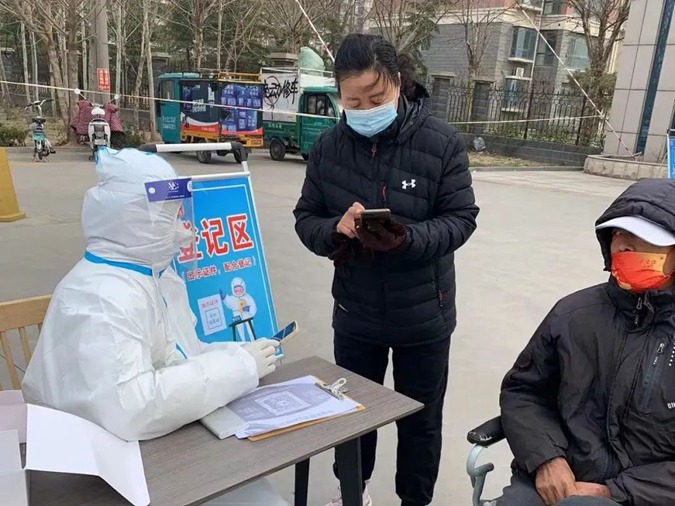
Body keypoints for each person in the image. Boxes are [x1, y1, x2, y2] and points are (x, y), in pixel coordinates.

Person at [22, 147, 288, 506]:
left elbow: (180, 355)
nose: (184, 228)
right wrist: (239, 367)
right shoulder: (101, 298)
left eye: (180, 212)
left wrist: (236, 351)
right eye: (170, 215)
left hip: (146, 447)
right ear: (134, 220)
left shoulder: (153, 277)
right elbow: (133, 407)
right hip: (98, 474)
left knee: (258, 488)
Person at [293, 34, 479, 506]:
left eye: (376, 99)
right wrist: (335, 230)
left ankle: (415, 500)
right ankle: (352, 492)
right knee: (353, 414)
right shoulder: (329, 148)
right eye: (353, 102)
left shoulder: (441, 143)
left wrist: (407, 239)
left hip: (424, 315)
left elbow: (461, 218)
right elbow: (306, 217)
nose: (365, 109)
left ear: (397, 83)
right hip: (356, 313)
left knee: (421, 419)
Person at [495, 178, 675, 506]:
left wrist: (616, 491)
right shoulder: (573, 314)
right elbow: (524, 392)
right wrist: (546, 458)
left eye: (646, 239)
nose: (625, 247)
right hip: (558, 478)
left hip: (647, 494)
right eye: (619, 234)